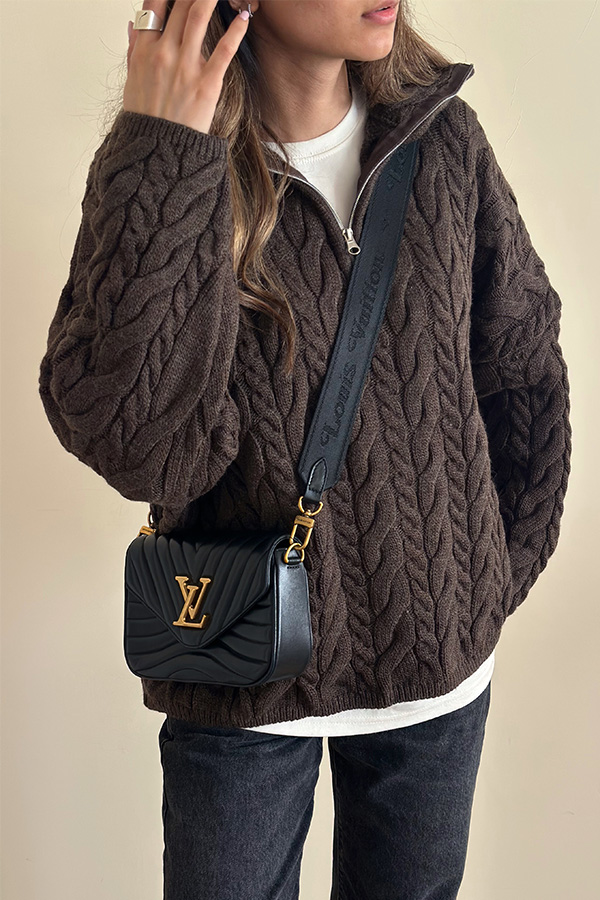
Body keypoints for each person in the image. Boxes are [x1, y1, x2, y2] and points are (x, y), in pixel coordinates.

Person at [37, 1, 572, 898]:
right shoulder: (175, 170)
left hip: (436, 677)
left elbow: (521, 367)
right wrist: (165, 153)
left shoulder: (443, 144)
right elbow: (137, 448)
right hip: (242, 676)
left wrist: (480, 579)